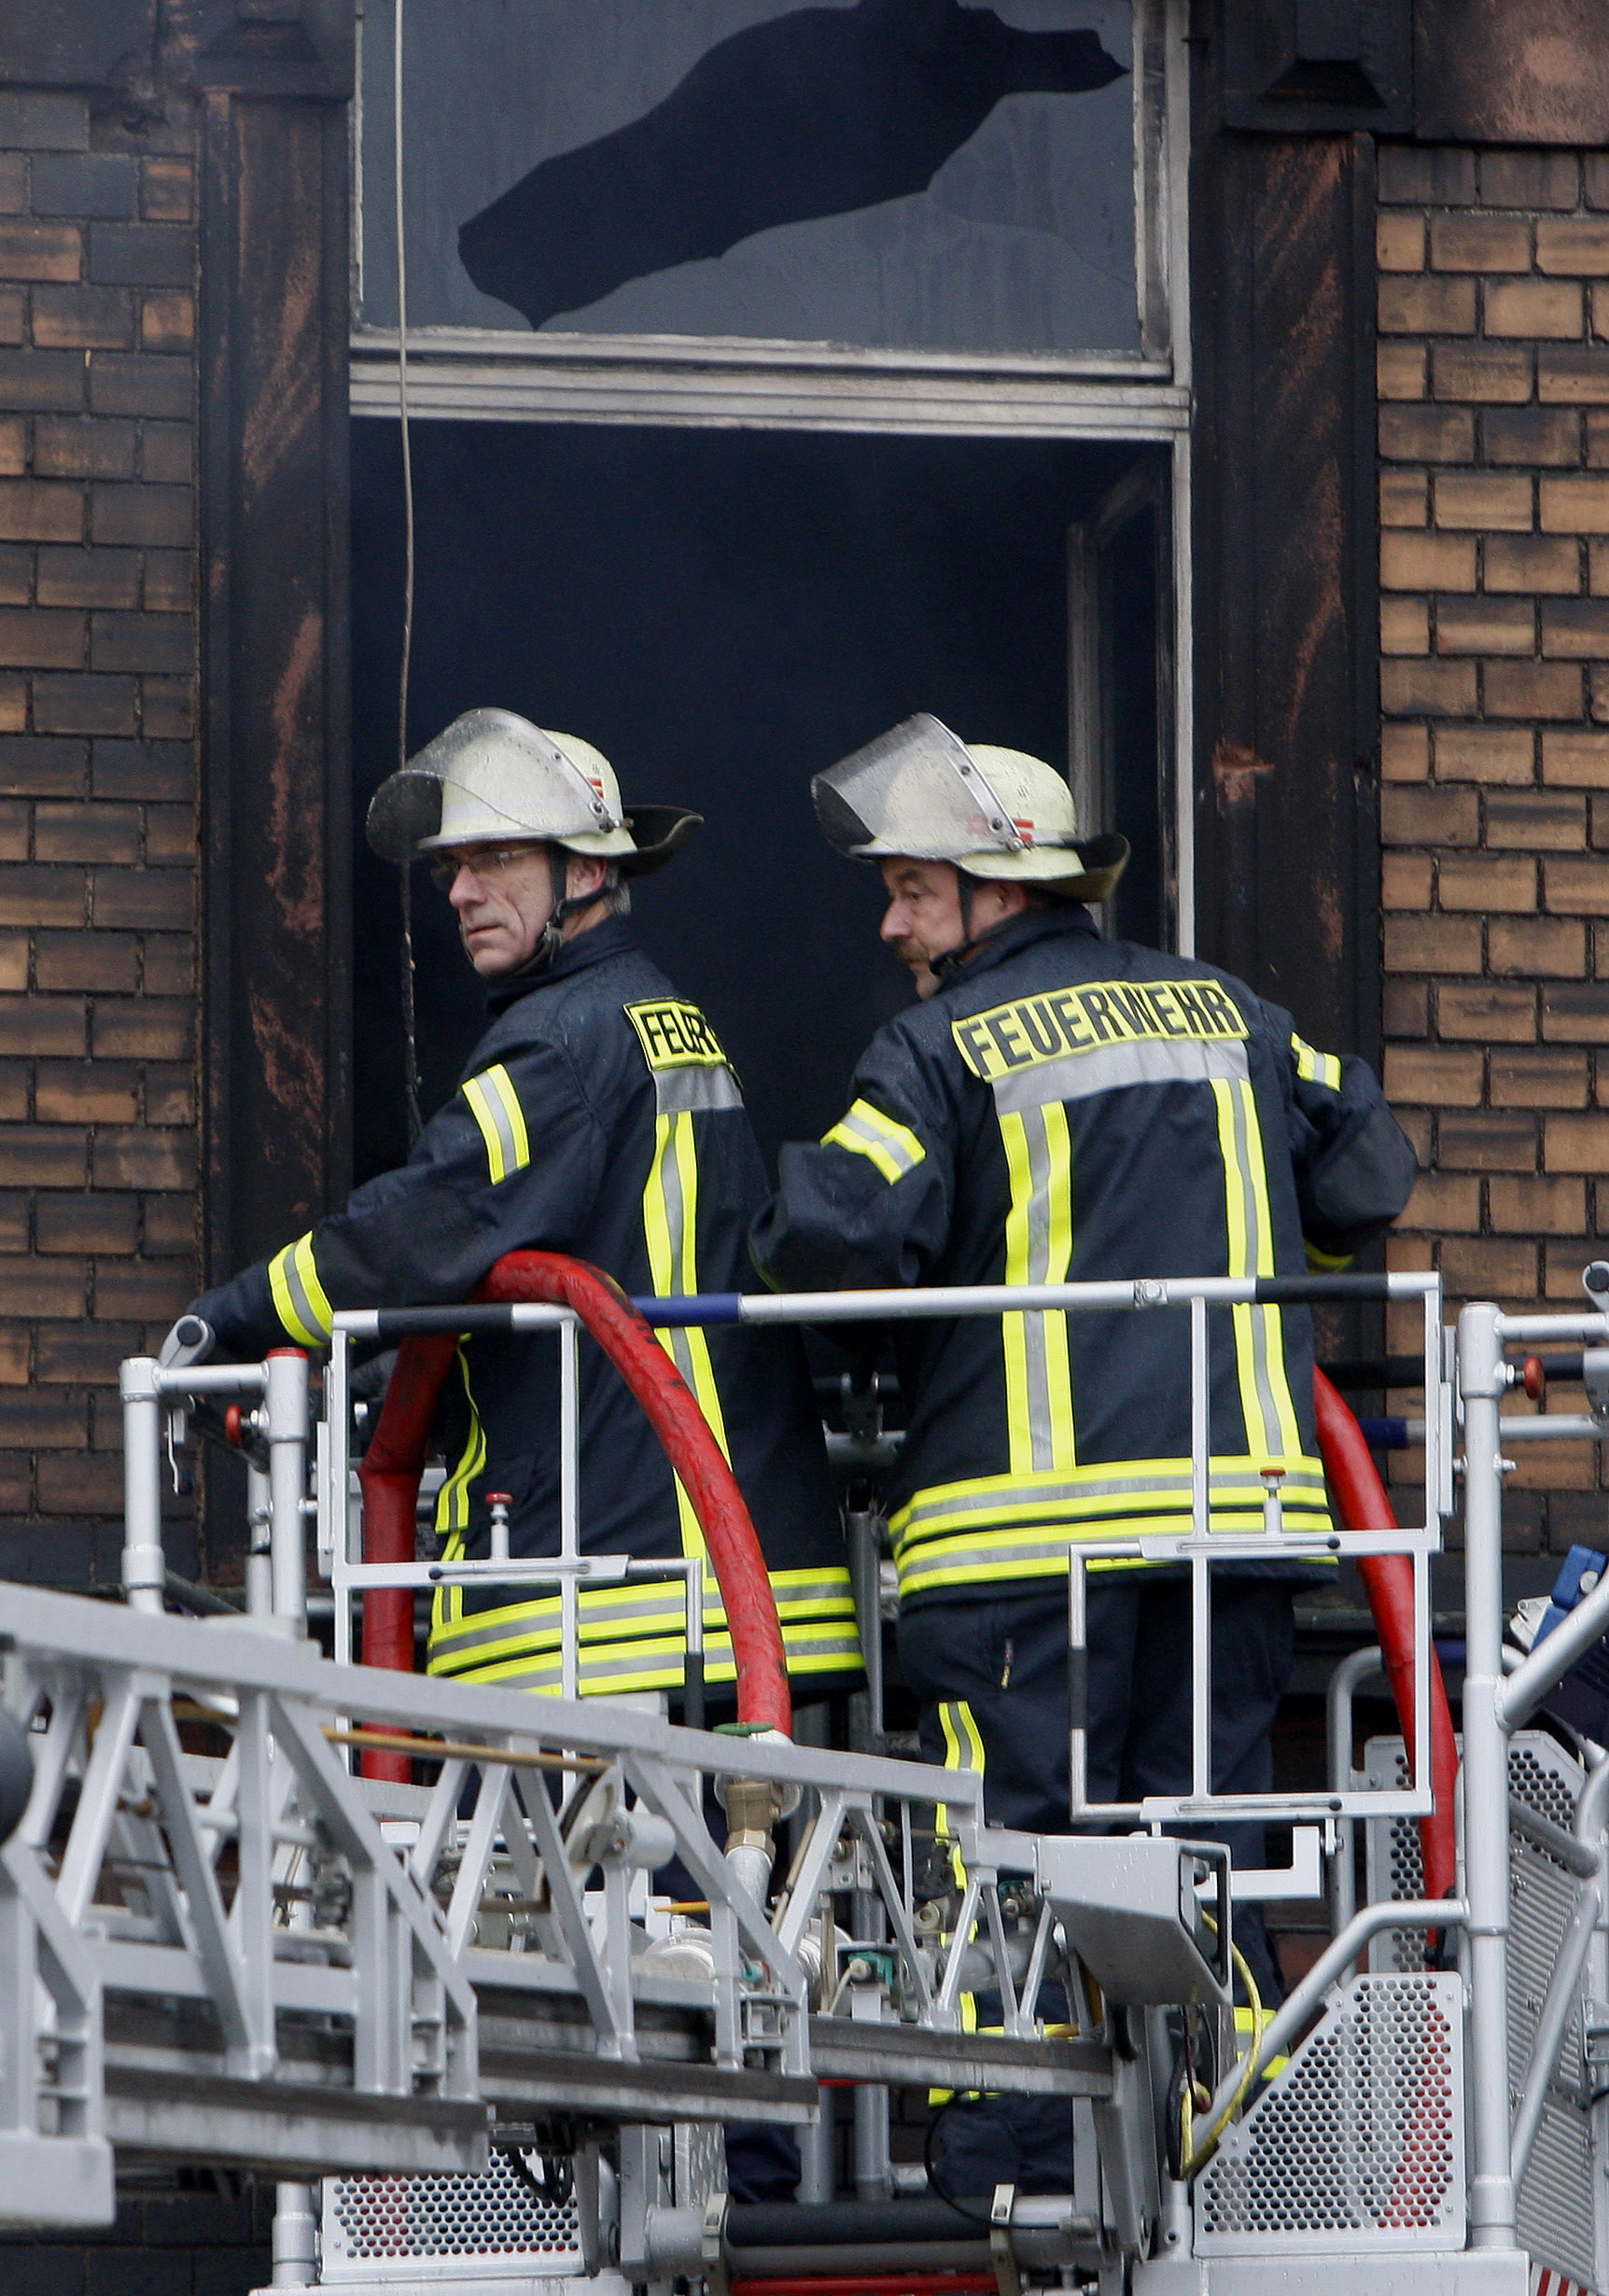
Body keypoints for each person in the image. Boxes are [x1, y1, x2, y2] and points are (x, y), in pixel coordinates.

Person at [750, 714, 1417, 2191]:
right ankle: (1239, 2140)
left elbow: (838, 1233)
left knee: (1023, 1855)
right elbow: (1366, 1164)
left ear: (1003, 889)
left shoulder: (934, 1050)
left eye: (914, 891)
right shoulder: (1235, 1017)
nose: (890, 922)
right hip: (1228, 1526)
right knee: (1207, 1835)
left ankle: (1013, 2161)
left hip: (1017, 1559)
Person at [188, 707, 860, 1711]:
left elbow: (421, 1229)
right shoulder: (652, 1014)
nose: (459, 892)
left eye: (495, 858)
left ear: (585, 873)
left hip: (611, 1593)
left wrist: (230, 1324)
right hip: (716, 1578)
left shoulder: (559, 1045)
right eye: (452, 867)